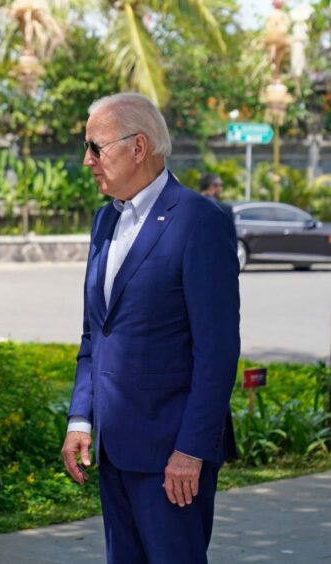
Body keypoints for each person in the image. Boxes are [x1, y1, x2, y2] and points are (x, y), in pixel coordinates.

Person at [61, 93, 240, 564]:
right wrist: (81, 418)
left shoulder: (200, 222)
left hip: (172, 458)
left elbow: (217, 352)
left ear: (137, 147)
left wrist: (191, 451)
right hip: (114, 450)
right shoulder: (104, 221)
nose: (88, 160)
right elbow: (95, 333)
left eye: (95, 147)